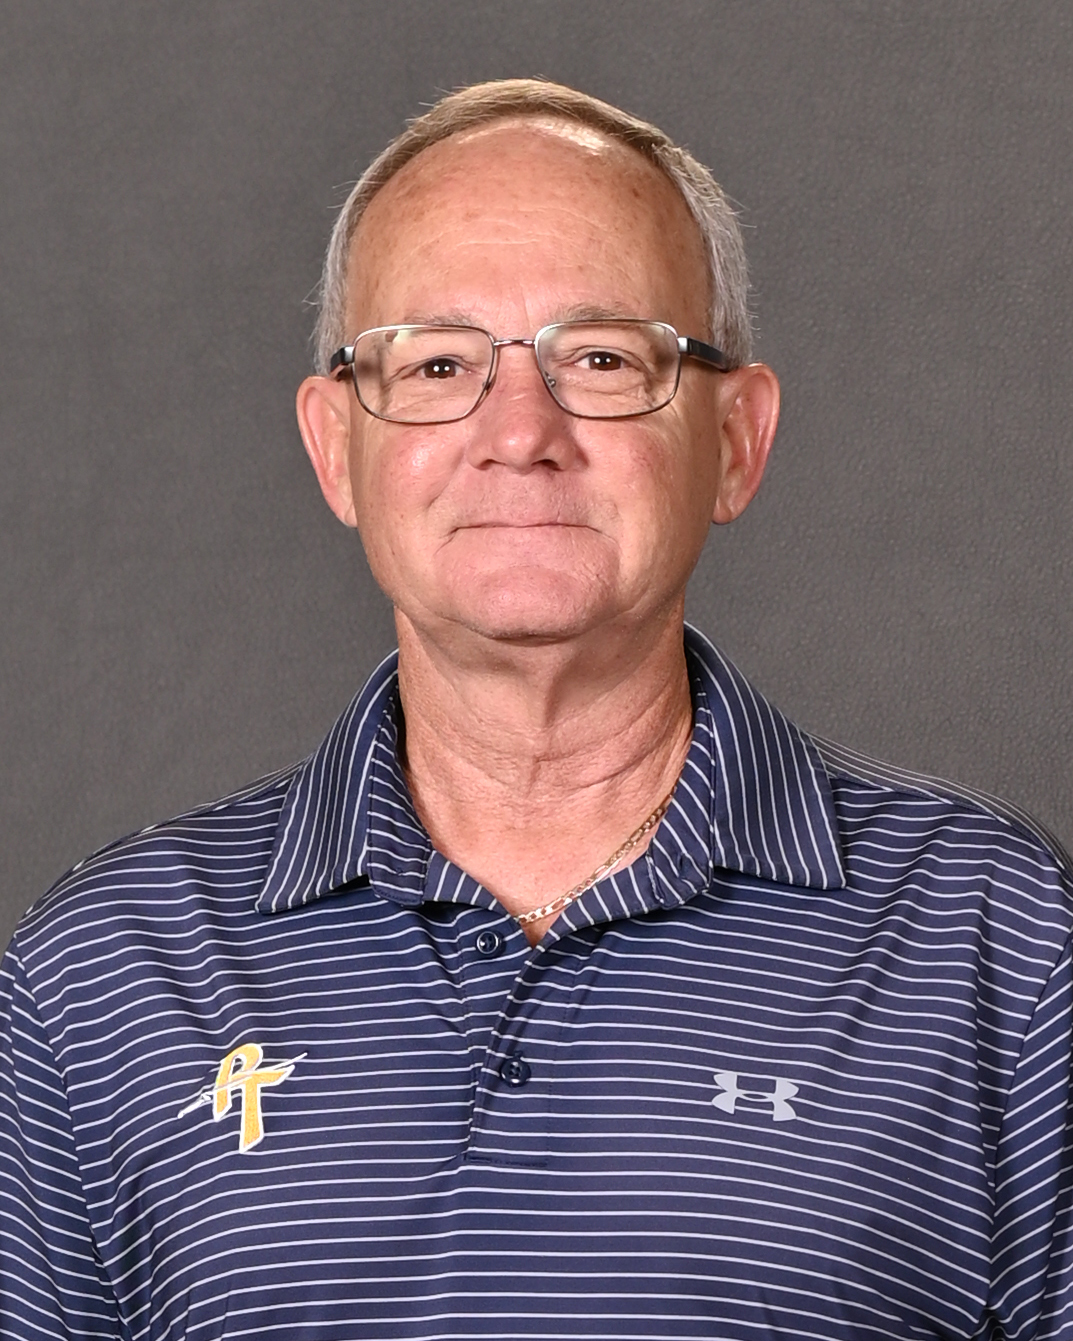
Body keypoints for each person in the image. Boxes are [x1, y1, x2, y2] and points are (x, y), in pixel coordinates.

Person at [2, 78, 1071, 1341]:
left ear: (735, 439)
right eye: (437, 362)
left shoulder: (996, 940)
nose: (520, 433)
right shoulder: (106, 971)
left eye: (602, 358)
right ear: (336, 449)